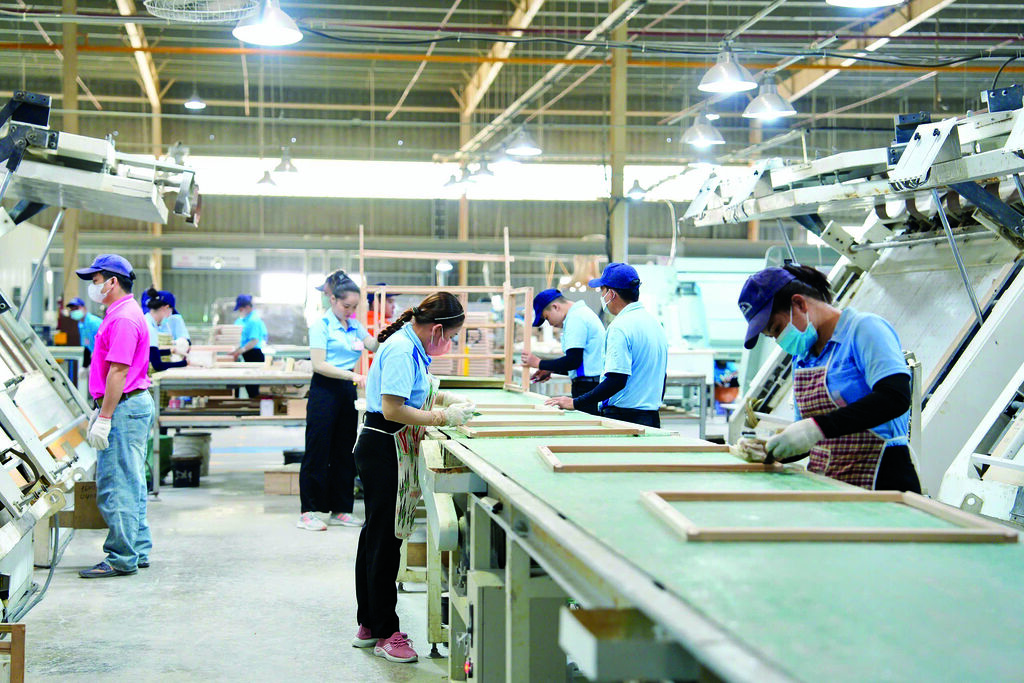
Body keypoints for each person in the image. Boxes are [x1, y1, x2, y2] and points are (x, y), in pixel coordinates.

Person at [351, 292, 476, 664]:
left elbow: (414, 394)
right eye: (450, 336)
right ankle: (385, 632)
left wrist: (446, 401)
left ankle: (369, 623)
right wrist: (442, 418)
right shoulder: (402, 350)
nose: (449, 343)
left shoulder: (411, 346)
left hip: (387, 445)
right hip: (384, 446)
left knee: (377, 536)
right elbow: (393, 409)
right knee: (385, 541)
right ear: (437, 329)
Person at [733, 264, 921, 492]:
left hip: (883, 479)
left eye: (777, 328)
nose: (778, 340)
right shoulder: (802, 358)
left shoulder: (864, 329)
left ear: (799, 304)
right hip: (830, 485)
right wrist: (772, 449)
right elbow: (809, 438)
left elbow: (895, 397)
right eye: (771, 336)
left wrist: (814, 429)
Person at [75, 255, 154, 578]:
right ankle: (138, 548)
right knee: (132, 480)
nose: (92, 286)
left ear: (112, 282)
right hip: (127, 404)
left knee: (116, 483)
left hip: (123, 406)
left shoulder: (123, 319)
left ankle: (121, 557)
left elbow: (118, 371)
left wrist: (105, 417)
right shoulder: (121, 312)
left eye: (95, 280)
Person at [298, 270, 380, 532]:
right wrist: (353, 375)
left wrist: (390, 333)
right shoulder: (321, 326)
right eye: (347, 306)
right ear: (332, 299)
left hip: (347, 390)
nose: (350, 311)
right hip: (325, 389)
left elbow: (373, 345)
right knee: (318, 448)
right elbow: (319, 364)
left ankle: (341, 509)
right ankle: (309, 511)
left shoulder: (354, 326)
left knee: (345, 449)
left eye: (354, 307)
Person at [545, 263, 668, 428]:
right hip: (651, 417)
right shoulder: (655, 324)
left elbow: (616, 380)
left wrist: (575, 403)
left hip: (625, 419)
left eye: (602, 291)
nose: (601, 296)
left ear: (611, 294)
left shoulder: (620, 327)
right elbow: (662, 376)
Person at [521, 288, 606, 415]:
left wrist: (538, 363)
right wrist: (550, 369)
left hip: (588, 387)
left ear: (555, 307)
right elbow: (582, 362)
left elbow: (573, 361)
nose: (550, 324)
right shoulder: (581, 314)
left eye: (547, 318)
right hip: (590, 384)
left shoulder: (576, 318)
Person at [143, 287, 190, 372]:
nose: (169, 316)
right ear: (166, 308)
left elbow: (149, 353)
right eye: (170, 312)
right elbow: (157, 365)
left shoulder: (145, 321)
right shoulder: (150, 328)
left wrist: (170, 351)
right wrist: (185, 363)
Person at [230, 294, 268, 398]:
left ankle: (255, 406)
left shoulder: (253, 320)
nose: (240, 311)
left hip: (253, 355)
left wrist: (240, 351)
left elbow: (254, 340)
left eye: (241, 309)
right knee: (240, 386)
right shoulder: (242, 320)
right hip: (244, 353)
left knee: (252, 388)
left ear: (247, 307)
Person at [67, 297, 102, 367]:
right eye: (72, 310)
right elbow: (87, 346)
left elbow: (105, 343)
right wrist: (85, 366)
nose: (74, 311)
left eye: (76, 308)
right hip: (95, 358)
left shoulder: (94, 322)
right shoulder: (81, 325)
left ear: (84, 308)